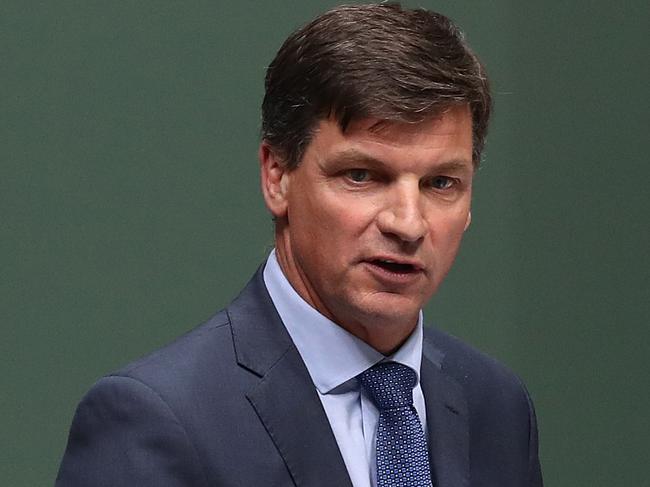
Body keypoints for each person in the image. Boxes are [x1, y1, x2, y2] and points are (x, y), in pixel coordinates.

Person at [56, 3, 542, 486]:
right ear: (277, 176)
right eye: (362, 175)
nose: (408, 224)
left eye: (441, 184)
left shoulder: (496, 406)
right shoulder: (156, 421)